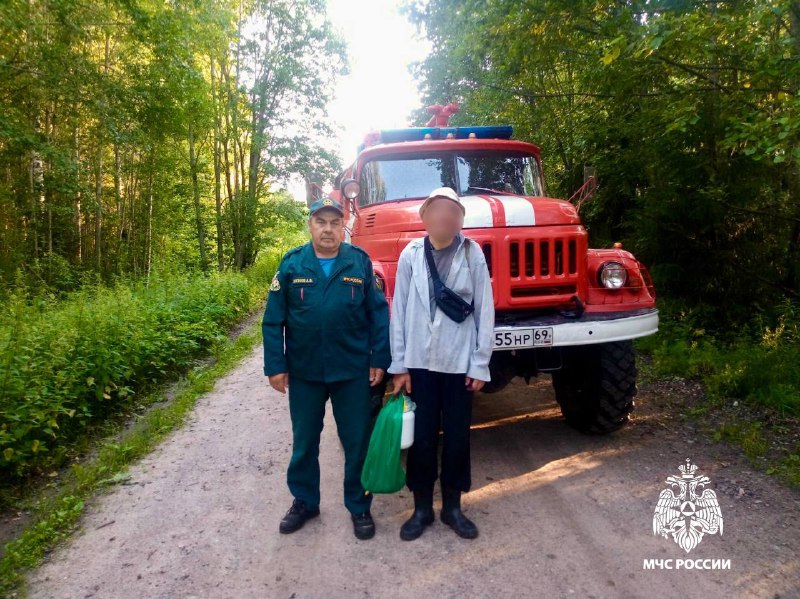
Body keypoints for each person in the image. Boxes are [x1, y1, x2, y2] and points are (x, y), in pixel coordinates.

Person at [262, 197, 390, 540]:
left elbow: (378, 313)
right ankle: (304, 501)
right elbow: (273, 320)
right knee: (304, 441)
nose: (328, 229)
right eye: (322, 222)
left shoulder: (359, 263)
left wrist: (380, 358)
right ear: (311, 225)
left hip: (352, 371)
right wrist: (275, 365)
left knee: (356, 441)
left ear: (342, 226)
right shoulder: (292, 265)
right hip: (305, 372)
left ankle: (359, 505)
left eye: (335, 222)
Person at [388, 186, 495, 541]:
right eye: (438, 211)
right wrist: (399, 365)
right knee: (421, 438)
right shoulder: (411, 254)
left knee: (457, 437)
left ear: (460, 219)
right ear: (425, 217)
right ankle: (421, 509)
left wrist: (480, 364)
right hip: (419, 362)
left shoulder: (472, 253)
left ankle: (452, 508)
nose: (445, 218)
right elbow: (399, 311)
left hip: (459, 362)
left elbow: (485, 310)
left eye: (453, 212)